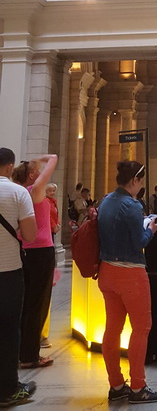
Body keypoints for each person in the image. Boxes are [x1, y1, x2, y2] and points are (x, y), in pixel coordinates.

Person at [98, 160, 157, 404]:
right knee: (141, 328)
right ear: (135, 180)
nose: (141, 185)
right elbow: (139, 243)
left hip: (107, 271)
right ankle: (138, 387)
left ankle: (116, 385)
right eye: (141, 181)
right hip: (130, 275)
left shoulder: (106, 200)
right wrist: (151, 229)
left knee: (112, 329)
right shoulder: (132, 205)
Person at [12, 154, 58, 369]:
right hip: (40, 252)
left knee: (26, 303)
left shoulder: (18, 193)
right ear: (31, 175)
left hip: (25, 251)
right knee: (37, 305)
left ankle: (22, 351)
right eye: (36, 171)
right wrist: (42, 158)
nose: (40, 174)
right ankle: (30, 355)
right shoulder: (34, 191)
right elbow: (54, 159)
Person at [0, 147, 37, 407]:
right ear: (9, 167)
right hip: (8, 272)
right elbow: (31, 235)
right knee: (9, 330)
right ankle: (9, 389)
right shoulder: (18, 192)